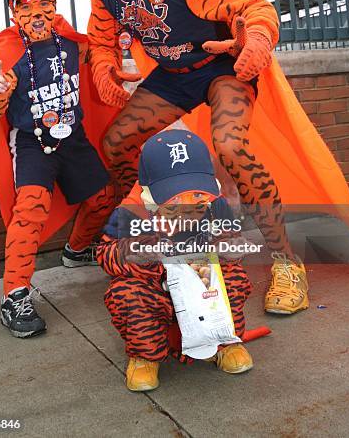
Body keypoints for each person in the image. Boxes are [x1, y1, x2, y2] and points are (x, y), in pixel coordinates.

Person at [87, 0, 349, 316]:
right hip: (174, 74)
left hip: (221, 67)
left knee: (230, 145)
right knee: (117, 143)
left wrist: (256, 36)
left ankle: (287, 264)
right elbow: (101, 37)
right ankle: (148, 238)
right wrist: (102, 67)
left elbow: (253, 7)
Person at [0, 0, 116, 338]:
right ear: (12, 7)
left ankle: (77, 250)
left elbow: (98, 52)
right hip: (32, 139)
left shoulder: (69, 37)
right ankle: (14, 296)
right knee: (31, 207)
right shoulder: (6, 48)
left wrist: (111, 61)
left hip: (72, 135)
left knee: (102, 197)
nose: (35, 8)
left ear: (55, 0)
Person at [97, 129, 253, 391]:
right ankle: (144, 356)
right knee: (125, 292)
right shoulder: (130, 211)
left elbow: (230, 239)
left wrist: (231, 248)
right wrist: (140, 254)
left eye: (197, 194)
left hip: (204, 291)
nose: (188, 205)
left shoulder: (217, 205)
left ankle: (225, 343)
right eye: (176, 197)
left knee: (234, 278)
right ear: (149, 191)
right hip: (157, 294)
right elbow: (105, 254)